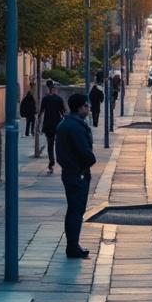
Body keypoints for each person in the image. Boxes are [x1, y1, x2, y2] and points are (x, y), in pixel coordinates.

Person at [55, 93, 97, 260]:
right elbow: (84, 151)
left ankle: (73, 244)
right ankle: (72, 246)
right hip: (77, 174)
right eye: (86, 106)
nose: (88, 108)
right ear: (80, 107)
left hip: (71, 172)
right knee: (76, 211)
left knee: (73, 210)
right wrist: (90, 160)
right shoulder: (75, 126)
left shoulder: (66, 123)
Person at [40, 80, 66, 173]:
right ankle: (60, 161)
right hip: (57, 124)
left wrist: (38, 122)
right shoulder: (59, 99)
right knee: (59, 144)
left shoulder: (45, 98)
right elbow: (63, 112)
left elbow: (41, 111)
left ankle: (51, 162)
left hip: (48, 124)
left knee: (50, 145)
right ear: (54, 90)